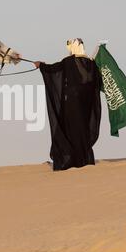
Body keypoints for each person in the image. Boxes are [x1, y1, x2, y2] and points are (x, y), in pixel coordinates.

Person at [34, 38, 102, 170]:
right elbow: (96, 82)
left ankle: (71, 160)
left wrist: (41, 66)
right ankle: (83, 159)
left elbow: (53, 70)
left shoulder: (69, 62)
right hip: (85, 106)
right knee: (82, 130)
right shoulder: (91, 64)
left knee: (69, 130)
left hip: (72, 105)